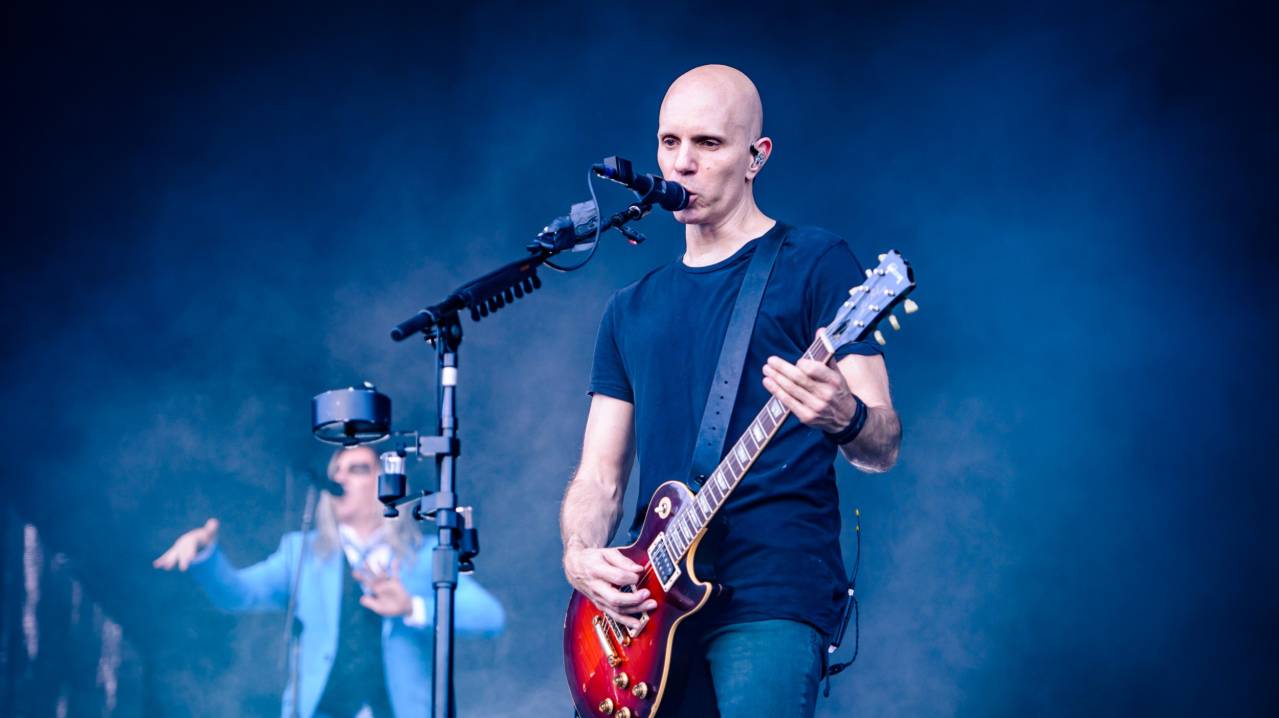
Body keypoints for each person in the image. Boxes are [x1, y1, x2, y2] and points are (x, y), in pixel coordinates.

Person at [559, 64, 902, 718]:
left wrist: (845, 416)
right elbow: (599, 478)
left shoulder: (814, 263)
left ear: (755, 157)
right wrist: (579, 555)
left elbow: (882, 443)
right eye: (669, 142)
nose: (682, 163)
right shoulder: (629, 309)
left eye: (708, 143)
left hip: (770, 592)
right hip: (649, 603)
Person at [154, 445, 505, 718]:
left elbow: (490, 617)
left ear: (387, 483)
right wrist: (205, 552)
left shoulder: (425, 555)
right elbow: (239, 595)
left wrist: (412, 607)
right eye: (337, 470)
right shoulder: (301, 553)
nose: (341, 478)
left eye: (357, 469)